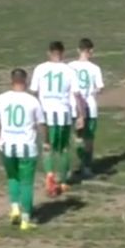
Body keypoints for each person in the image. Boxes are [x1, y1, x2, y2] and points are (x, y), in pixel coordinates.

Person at [0, 68, 47, 231]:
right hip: (27, 147)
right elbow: (41, 124)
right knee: (26, 183)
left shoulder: (1, 98)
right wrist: (46, 141)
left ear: (11, 81)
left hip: (7, 146)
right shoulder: (32, 100)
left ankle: (14, 209)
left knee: (12, 177)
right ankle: (26, 219)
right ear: (25, 81)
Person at [29, 40, 85, 195]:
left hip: (45, 114)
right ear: (63, 53)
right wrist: (80, 115)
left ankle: (49, 176)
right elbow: (76, 95)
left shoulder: (40, 69)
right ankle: (64, 181)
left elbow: (34, 92)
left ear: (49, 53)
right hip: (63, 114)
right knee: (63, 149)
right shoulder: (69, 70)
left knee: (47, 146)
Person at [69, 38, 104, 179]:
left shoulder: (70, 66)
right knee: (89, 138)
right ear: (91, 51)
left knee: (78, 136)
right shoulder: (94, 68)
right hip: (90, 105)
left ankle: (80, 162)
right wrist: (93, 91)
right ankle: (87, 166)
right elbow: (100, 88)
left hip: (74, 106)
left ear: (78, 50)